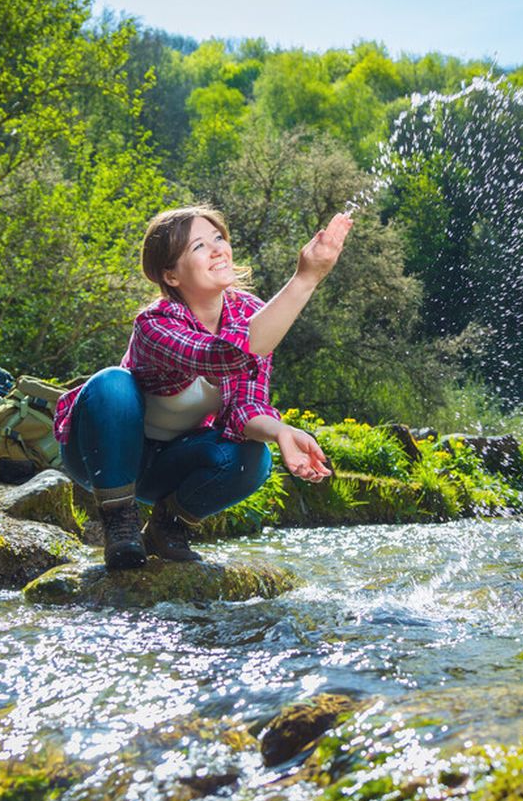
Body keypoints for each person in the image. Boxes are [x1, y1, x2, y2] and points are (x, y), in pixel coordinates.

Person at [53, 205, 354, 569]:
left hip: (168, 465)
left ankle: (167, 526)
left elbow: (246, 407)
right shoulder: (155, 322)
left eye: (218, 238)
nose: (217, 249)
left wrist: (283, 432)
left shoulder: (250, 314)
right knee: (112, 384)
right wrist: (305, 278)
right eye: (198, 247)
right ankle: (120, 523)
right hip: (101, 454)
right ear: (171, 275)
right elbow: (222, 357)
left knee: (253, 457)